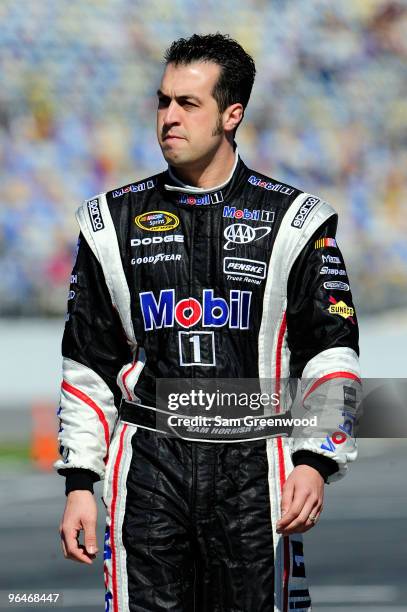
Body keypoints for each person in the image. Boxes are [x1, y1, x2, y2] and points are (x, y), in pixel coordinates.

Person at [56, 33, 361, 612]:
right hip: (147, 466)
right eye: (163, 101)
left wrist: (316, 460)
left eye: (187, 104)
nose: (168, 117)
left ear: (231, 114)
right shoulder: (108, 222)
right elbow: (88, 363)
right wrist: (79, 483)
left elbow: (331, 352)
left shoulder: (295, 221)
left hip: (255, 469)